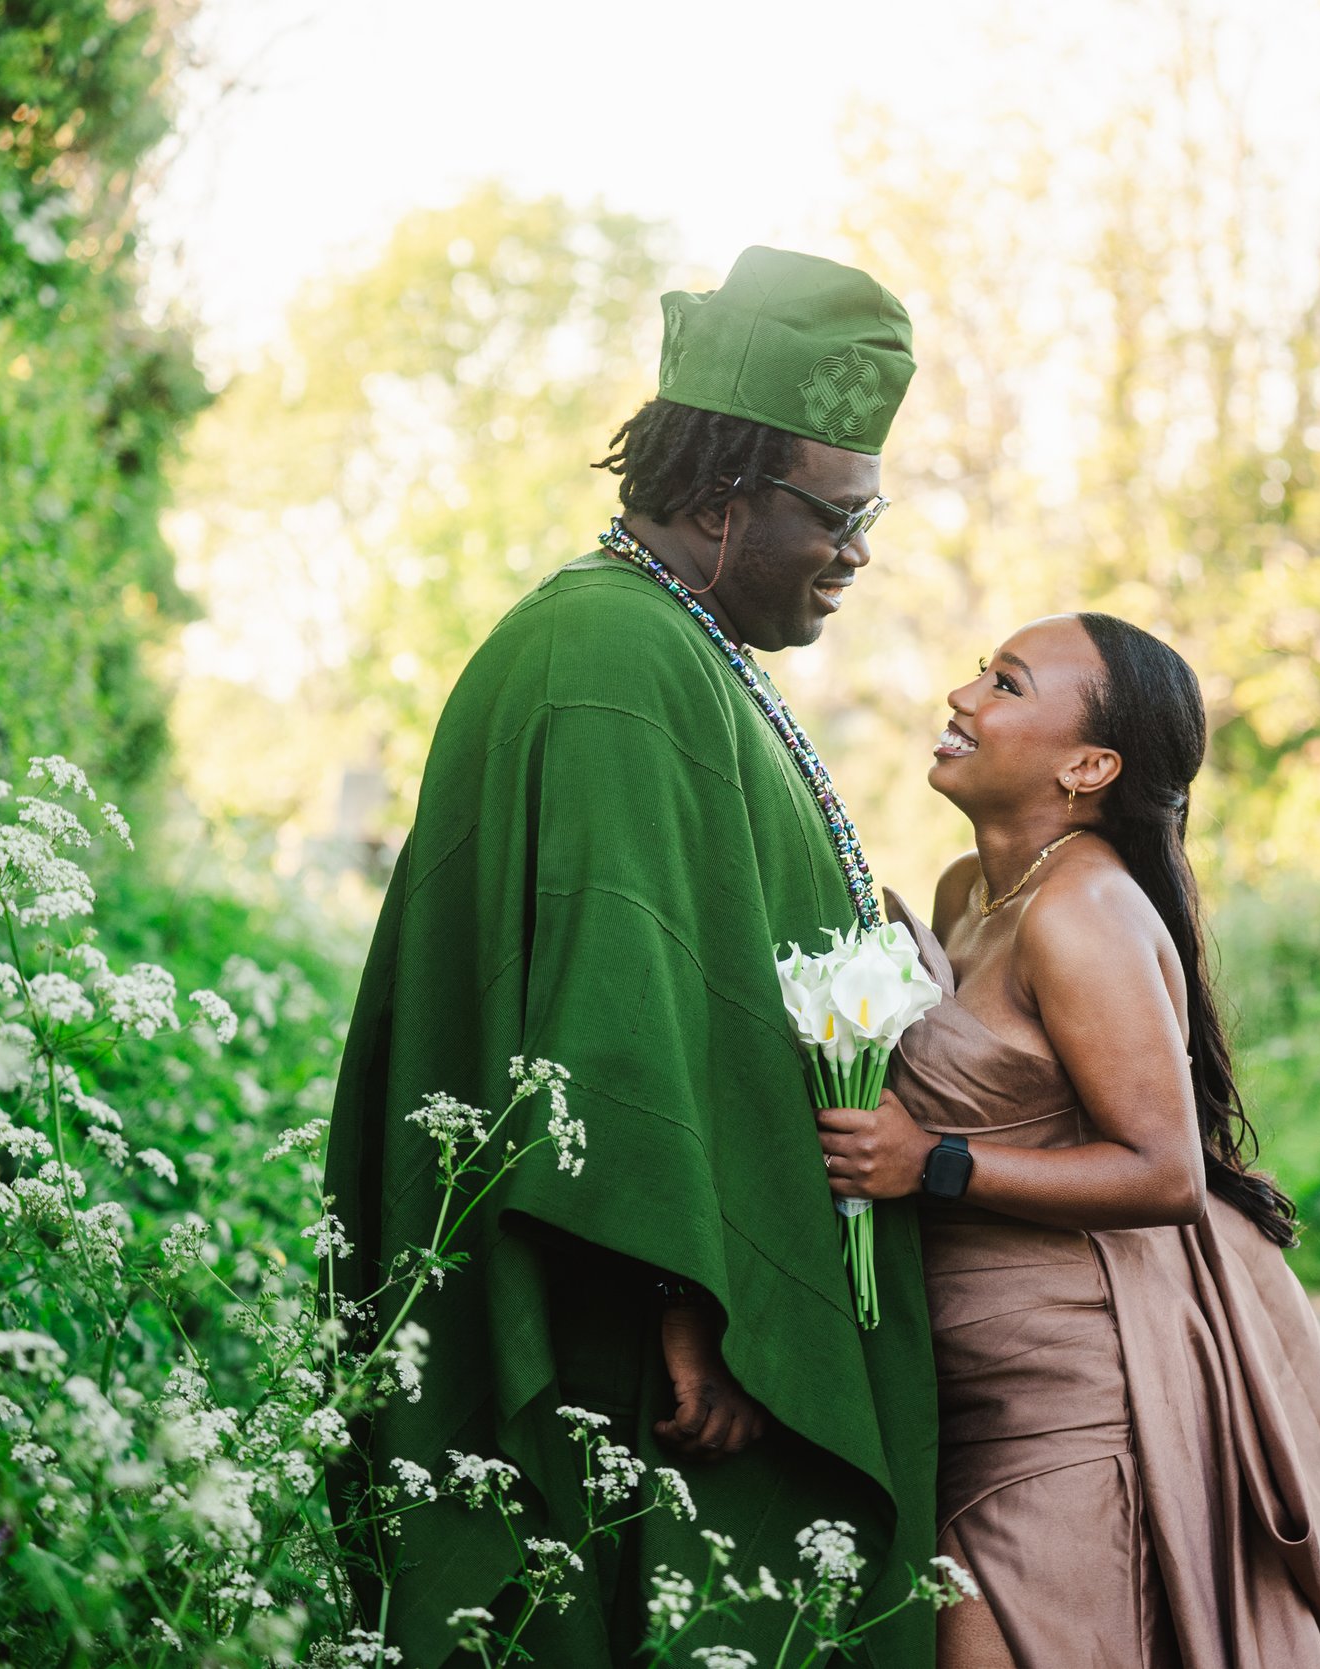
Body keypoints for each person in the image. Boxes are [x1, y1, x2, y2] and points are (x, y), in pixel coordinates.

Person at [323, 247, 940, 1668]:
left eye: (873, 519)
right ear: (728, 494)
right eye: (837, 518)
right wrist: (694, 1313)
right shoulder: (613, 656)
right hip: (656, 1343)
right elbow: (611, 1012)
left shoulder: (683, 644)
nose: (856, 555)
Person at [817, 613, 1320, 1669]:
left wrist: (932, 1163)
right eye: (981, 669)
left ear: (1088, 765)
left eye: (1006, 683)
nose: (962, 695)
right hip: (965, 1379)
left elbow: (1163, 1169)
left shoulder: (1079, 911)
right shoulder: (966, 891)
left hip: (1071, 1402)